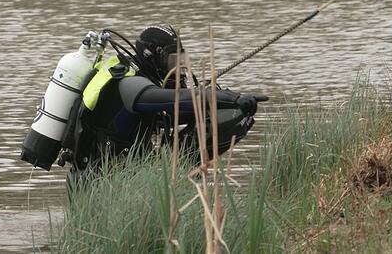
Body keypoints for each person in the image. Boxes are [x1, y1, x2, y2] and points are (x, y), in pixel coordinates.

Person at [61, 25, 262, 184]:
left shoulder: (147, 81)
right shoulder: (130, 83)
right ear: (152, 56)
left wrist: (228, 104)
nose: (178, 68)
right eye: (173, 61)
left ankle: (182, 178)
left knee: (228, 117)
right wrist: (232, 98)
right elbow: (177, 100)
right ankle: (177, 179)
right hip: (95, 182)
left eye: (181, 60)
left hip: (124, 174)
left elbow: (178, 112)